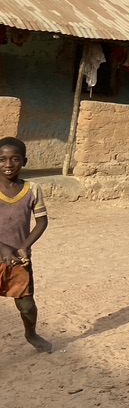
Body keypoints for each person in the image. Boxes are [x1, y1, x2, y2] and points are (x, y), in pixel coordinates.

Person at [0, 136, 51, 353]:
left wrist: (24, 246)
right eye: (2, 159)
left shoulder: (32, 190)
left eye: (15, 159)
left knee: (26, 305)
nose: (8, 165)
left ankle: (31, 333)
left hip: (18, 259)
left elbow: (42, 221)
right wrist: (3, 248)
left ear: (25, 161)